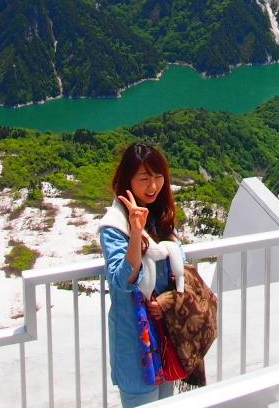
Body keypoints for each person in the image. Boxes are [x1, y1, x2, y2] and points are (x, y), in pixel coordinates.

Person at [98, 142, 185, 406]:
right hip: (137, 346)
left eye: (158, 177)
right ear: (127, 181)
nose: (153, 186)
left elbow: (180, 267)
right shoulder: (114, 226)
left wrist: (168, 301)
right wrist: (135, 234)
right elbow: (122, 281)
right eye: (144, 179)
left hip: (167, 337)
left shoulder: (161, 217)